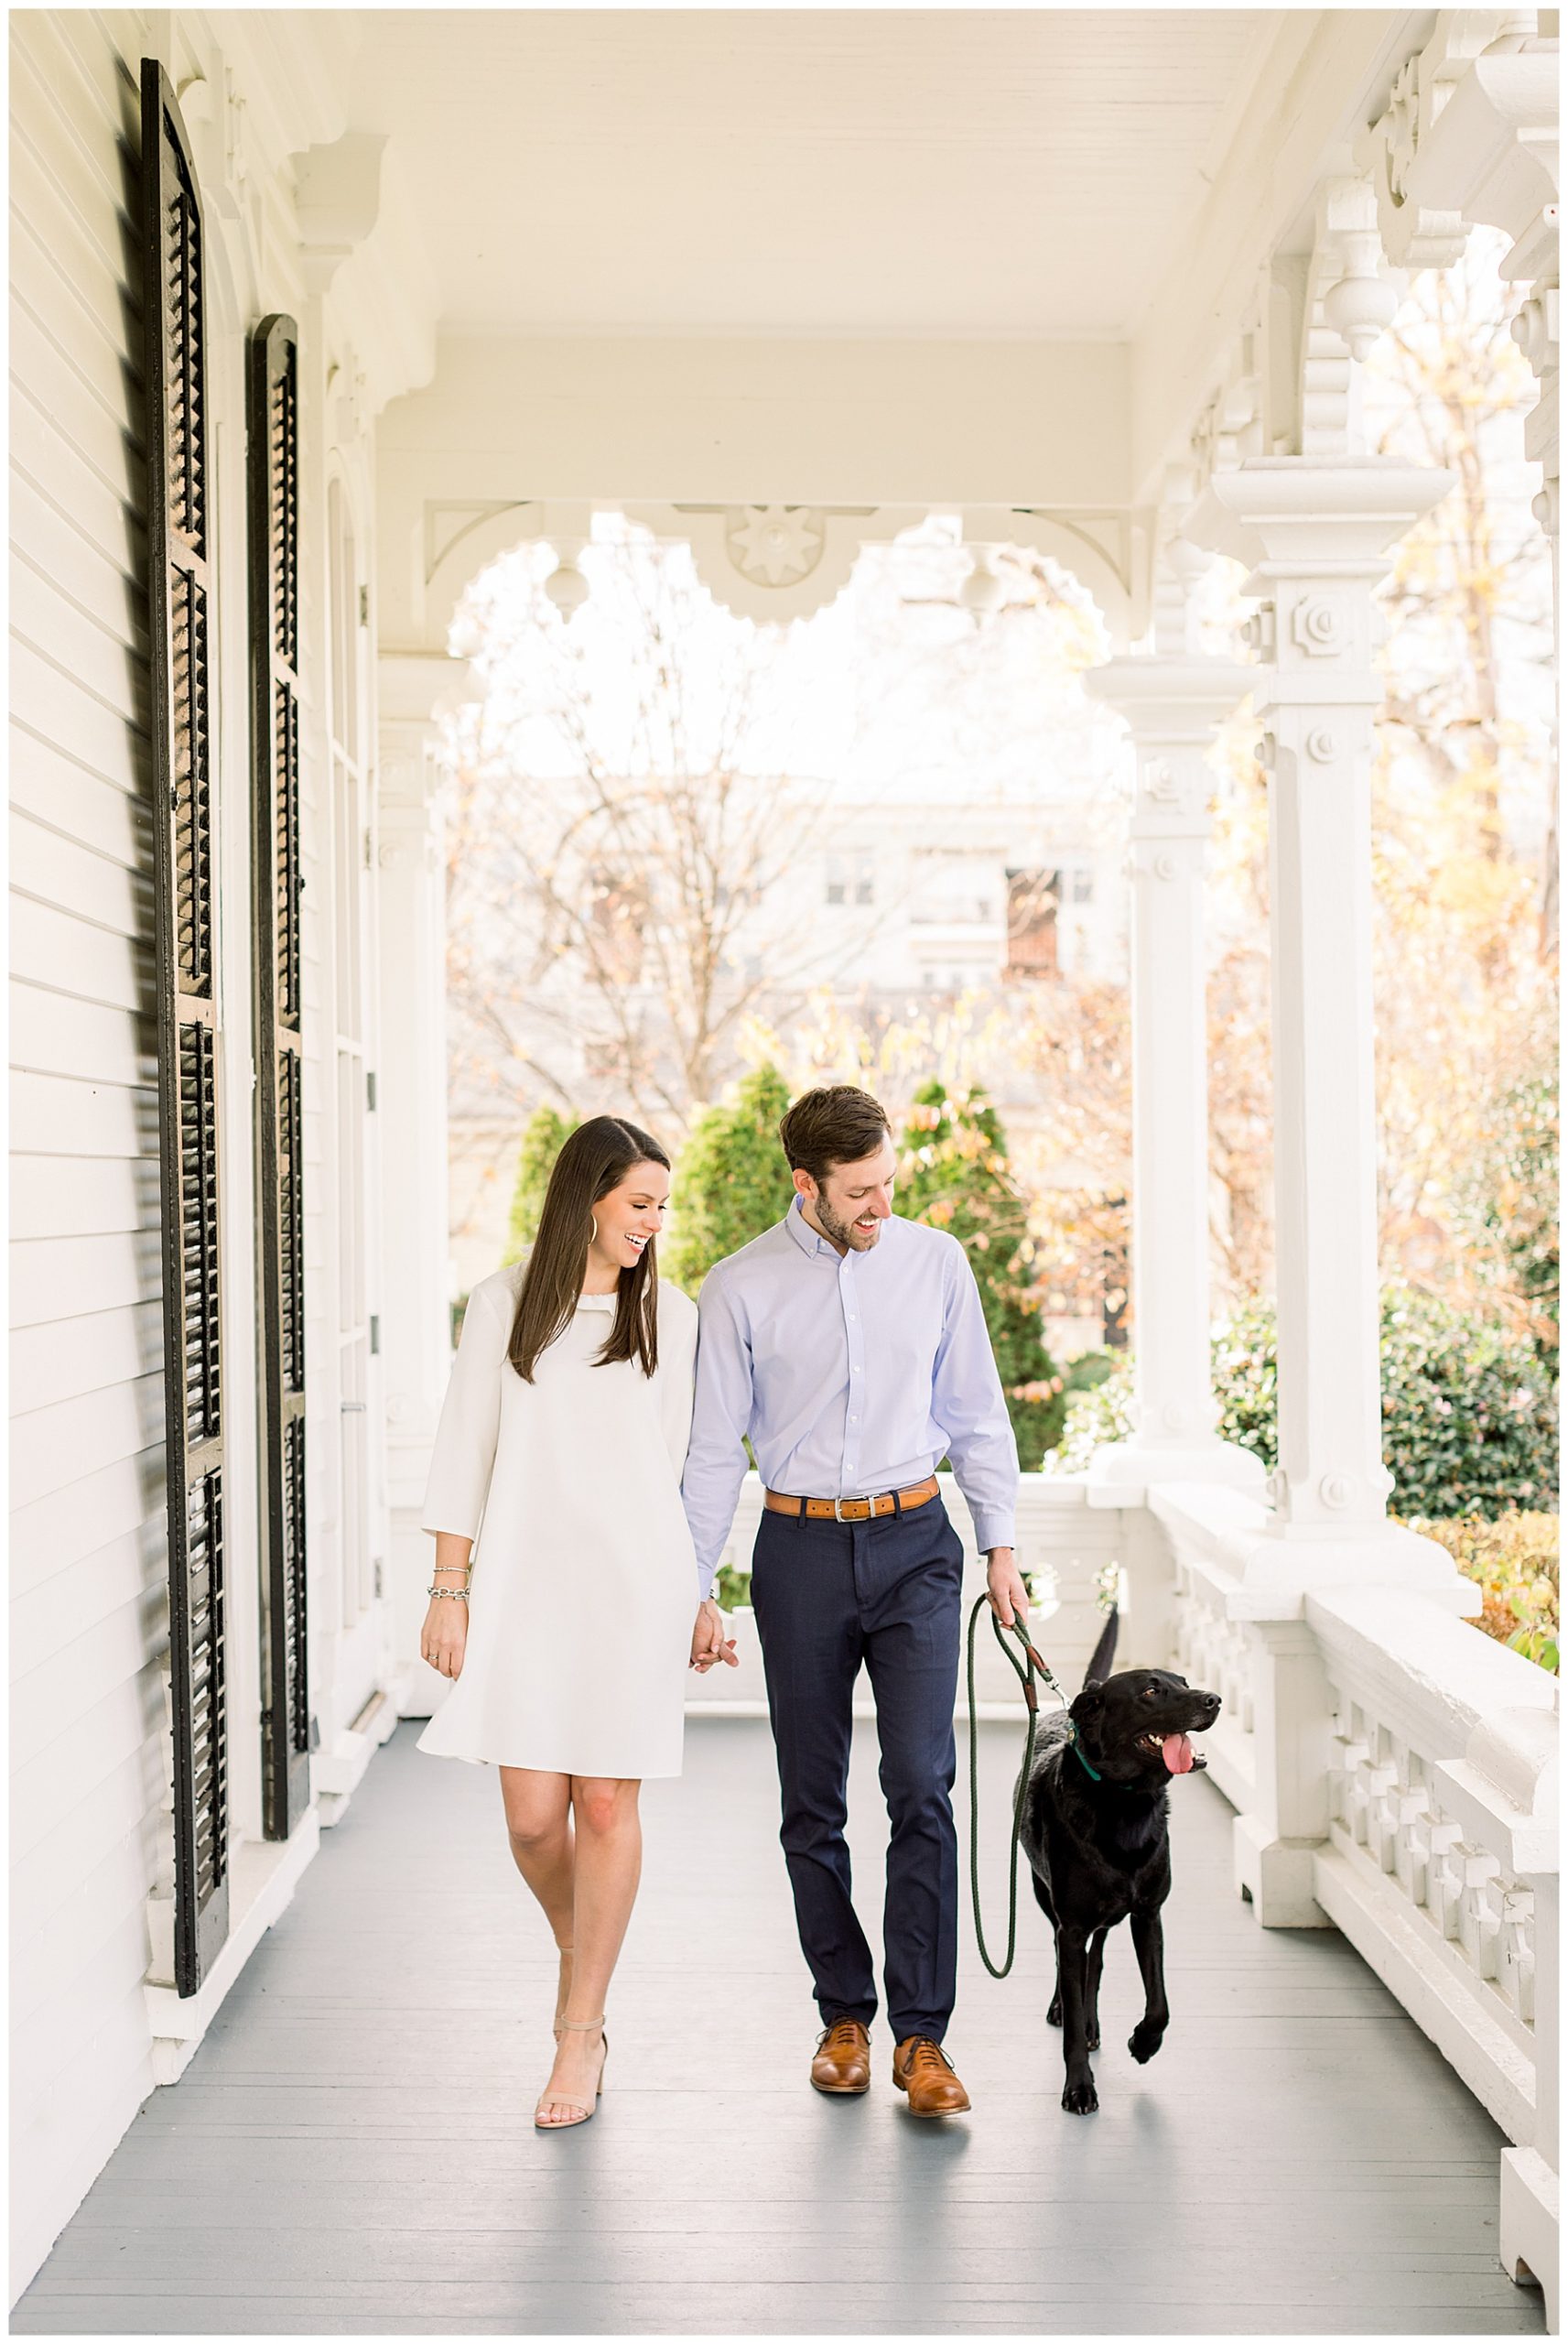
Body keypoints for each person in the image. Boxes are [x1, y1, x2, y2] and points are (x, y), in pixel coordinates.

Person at [682, 1083, 1025, 2117]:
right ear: (807, 1185)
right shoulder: (739, 1289)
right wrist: (692, 1588)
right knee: (811, 1802)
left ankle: (924, 2039)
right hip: (797, 1551)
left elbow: (975, 1412)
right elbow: (708, 1455)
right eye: (860, 1191)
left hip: (919, 1541)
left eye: (888, 1183)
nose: (882, 1204)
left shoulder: (936, 1264)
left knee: (923, 1783)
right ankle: (843, 2013)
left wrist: (1000, 1544)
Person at [416, 1114, 738, 2130]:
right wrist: (448, 1587)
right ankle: (583, 1947)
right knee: (528, 1818)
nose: (654, 1222)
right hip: (521, 1590)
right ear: (586, 1197)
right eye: (640, 1202)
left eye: (661, 1206)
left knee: (603, 1806)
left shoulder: (671, 1317)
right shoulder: (503, 1304)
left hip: (633, 1589)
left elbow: (689, 1467)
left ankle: (579, 2031)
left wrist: (700, 1589)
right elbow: (464, 1446)